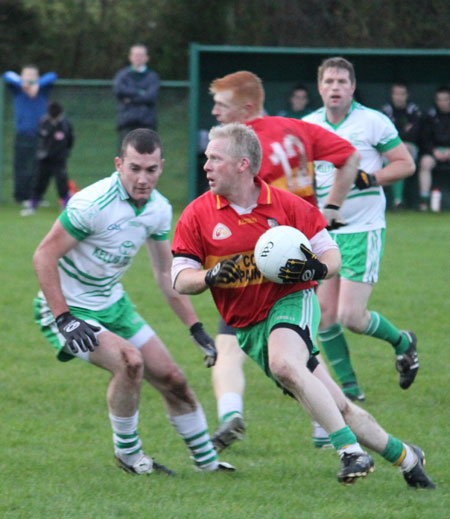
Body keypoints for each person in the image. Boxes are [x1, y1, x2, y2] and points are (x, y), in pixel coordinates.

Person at [171, 122, 435, 489]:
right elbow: (180, 279)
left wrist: (316, 268)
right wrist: (210, 276)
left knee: (284, 364)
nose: (206, 166)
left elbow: (332, 256)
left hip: (291, 300)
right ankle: (408, 457)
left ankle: (349, 452)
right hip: (249, 328)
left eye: (215, 158)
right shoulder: (197, 214)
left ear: (243, 164)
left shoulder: (288, 206)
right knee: (337, 406)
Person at [32, 128, 234, 476]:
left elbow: (164, 273)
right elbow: (43, 255)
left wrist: (196, 328)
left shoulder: (158, 209)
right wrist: (64, 317)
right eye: (135, 168)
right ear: (118, 165)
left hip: (114, 304)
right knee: (129, 361)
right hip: (68, 309)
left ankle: (208, 466)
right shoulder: (92, 204)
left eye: (151, 169)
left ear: (161, 167)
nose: (143, 178)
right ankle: (129, 456)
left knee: (174, 379)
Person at [207, 70, 360, 450]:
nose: (214, 112)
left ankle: (233, 412)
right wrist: (332, 207)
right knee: (298, 348)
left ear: (245, 108)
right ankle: (321, 425)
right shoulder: (296, 128)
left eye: (221, 106)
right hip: (304, 251)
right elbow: (349, 156)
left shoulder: (244, 150)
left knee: (249, 347)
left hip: (260, 258)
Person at [303, 57, 417, 411]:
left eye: (341, 81)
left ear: (352, 87)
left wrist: (371, 178)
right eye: (329, 81)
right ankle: (350, 390)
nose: (335, 87)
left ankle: (403, 342)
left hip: (363, 229)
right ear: (320, 87)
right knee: (323, 314)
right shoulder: (307, 125)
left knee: (352, 317)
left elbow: (405, 163)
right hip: (325, 232)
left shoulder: (372, 121)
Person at [3, 65, 57, 205]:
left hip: (41, 135)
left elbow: (52, 75)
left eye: (33, 75)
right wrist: (24, 84)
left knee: (39, 167)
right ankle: (22, 196)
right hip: (23, 135)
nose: (30, 78)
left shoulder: (43, 90)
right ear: (21, 76)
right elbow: (7, 74)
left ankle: (36, 197)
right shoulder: (18, 90)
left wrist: (36, 85)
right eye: (27, 75)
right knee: (22, 166)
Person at [21, 101, 74, 216]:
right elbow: (40, 138)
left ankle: (65, 206)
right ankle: (32, 206)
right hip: (44, 159)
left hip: (59, 159)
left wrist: (64, 152)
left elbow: (70, 140)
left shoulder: (65, 124)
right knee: (39, 182)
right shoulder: (44, 122)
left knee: (62, 182)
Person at [381, 83, 422, 209]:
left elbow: (416, 133)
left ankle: (400, 200)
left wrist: (400, 135)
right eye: (396, 94)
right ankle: (394, 201)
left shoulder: (413, 110)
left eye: (402, 94)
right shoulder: (385, 110)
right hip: (387, 151)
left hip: (410, 149)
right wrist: (403, 132)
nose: (399, 97)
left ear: (407, 95)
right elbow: (383, 135)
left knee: (403, 153)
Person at [113, 44, 160, 144]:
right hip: (126, 122)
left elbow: (150, 97)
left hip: (147, 123)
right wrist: (140, 92)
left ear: (147, 58)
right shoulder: (123, 75)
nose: (138, 58)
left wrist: (130, 99)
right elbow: (119, 91)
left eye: (141, 55)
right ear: (130, 57)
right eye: (136, 55)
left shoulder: (152, 76)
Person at [417, 86, 450, 211]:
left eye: (446, 99)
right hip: (433, 152)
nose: (443, 103)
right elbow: (424, 139)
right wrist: (433, 151)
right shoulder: (430, 116)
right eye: (440, 100)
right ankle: (424, 202)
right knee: (425, 162)